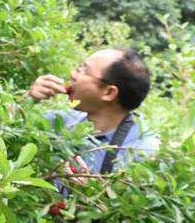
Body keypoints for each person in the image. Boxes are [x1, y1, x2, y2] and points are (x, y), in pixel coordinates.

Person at [27, 47, 158, 176]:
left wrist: (88, 192)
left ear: (109, 92)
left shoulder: (143, 152)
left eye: (84, 71)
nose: (73, 74)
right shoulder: (60, 122)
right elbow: (14, 131)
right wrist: (29, 99)